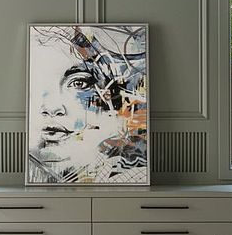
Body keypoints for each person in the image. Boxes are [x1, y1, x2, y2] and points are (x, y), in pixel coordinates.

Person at [28, 25, 148, 184]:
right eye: (37, 84)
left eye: (78, 83)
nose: (51, 108)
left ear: (108, 95)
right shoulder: (31, 169)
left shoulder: (131, 173)